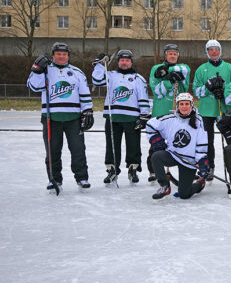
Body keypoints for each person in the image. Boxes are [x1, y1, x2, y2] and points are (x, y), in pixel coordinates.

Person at [27, 42, 93, 192]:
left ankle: (82, 177)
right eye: (58, 54)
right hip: (51, 118)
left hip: (73, 118)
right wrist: (36, 70)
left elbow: (84, 94)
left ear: (68, 56)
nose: (61, 57)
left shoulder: (77, 72)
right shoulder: (45, 71)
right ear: (53, 55)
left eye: (64, 54)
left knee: (78, 149)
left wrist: (87, 111)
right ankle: (54, 179)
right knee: (53, 150)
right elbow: (34, 87)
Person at [91, 49, 150, 185]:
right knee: (112, 145)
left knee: (133, 145)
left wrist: (144, 115)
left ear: (131, 62)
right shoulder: (110, 75)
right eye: (122, 60)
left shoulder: (138, 78)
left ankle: (132, 169)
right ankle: (112, 170)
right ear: (118, 62)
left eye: (127, 61)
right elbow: (97, 79)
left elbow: (143, 97)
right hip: (113, 117)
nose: (124, 63)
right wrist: (100, 64)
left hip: (132, 117)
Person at [146, 92, 208, 200]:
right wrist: (157, 141)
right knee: (156, 156)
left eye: (187, 104)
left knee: (184, 194)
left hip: (189, 161)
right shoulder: (170, 119)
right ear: (177, 105)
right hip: (173, 155)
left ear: (191, 105)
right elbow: (150, 124)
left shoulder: (198, 121)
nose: (184, 107)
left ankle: (199, 183)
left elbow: (202, 143)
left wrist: (202, 162)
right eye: (181, 104)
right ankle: (164, 186)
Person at [192, 39, 231, 181]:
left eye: (216, 49)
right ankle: (209, 166)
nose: (214, 52)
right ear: (207, 52)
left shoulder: (229, 68)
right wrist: (208, 87)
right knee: (207, 140)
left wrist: (223, 92)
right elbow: (196, 91)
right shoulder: (201, 69)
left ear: (220, 51)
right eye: (210, 49)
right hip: (206, 111)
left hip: (224, 110)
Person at [147, 43, 191, 182]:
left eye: (175, 54)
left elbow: (184, 82)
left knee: (178, 143)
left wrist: (170, 73)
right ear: (165, 55)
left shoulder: (184, 67)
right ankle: (154, 170)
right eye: (170, 53)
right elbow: (157, 91)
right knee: (157, 144)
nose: (172, 55)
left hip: (177, 114)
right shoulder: (155, 68)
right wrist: (168, 80)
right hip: (160, 112)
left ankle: (182, 170)